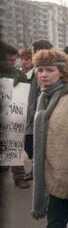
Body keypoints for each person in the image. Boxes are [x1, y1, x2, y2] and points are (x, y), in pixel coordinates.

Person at [30, 49, 68, 228]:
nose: (43, 74)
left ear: (62, 72)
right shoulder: (43, 99)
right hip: (52, 180)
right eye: (40, 69)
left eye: (50, 70)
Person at [23, 39, 54, 182]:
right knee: (30, 147)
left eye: (33, 51)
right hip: (31, 114)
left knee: (34, 146)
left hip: (41, 115)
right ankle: (36, 170)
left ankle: (40, 172)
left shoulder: (50, 70)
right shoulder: (34, 71)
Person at [0, 42, 29, 188]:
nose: (12, 63)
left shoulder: (19, 74)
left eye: (13, 60)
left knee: (15, 146)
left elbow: (25, 96)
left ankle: (19, 177)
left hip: (14, 118)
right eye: (8, 60)